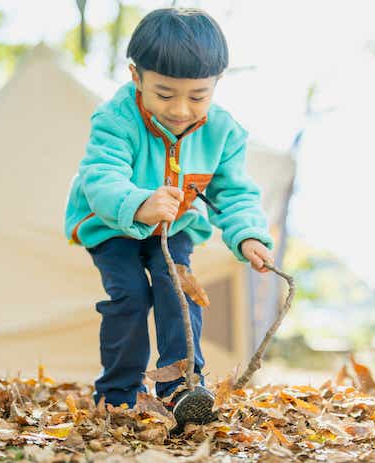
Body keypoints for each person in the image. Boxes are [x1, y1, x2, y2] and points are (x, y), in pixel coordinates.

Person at [64, 7, 274, 418]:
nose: (180, 109)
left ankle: (182, 387)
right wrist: (138, 204)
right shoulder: (115, 118)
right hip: (111, 224)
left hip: (174, 227)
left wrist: (248, 234)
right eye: (164, 94)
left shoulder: (224, 132)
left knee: (176, 287)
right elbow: (100, 176)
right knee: (130, 296)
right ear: (135, 76)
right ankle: (117, 392)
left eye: (198, 96)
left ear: (217, 84)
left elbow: (233, 193)